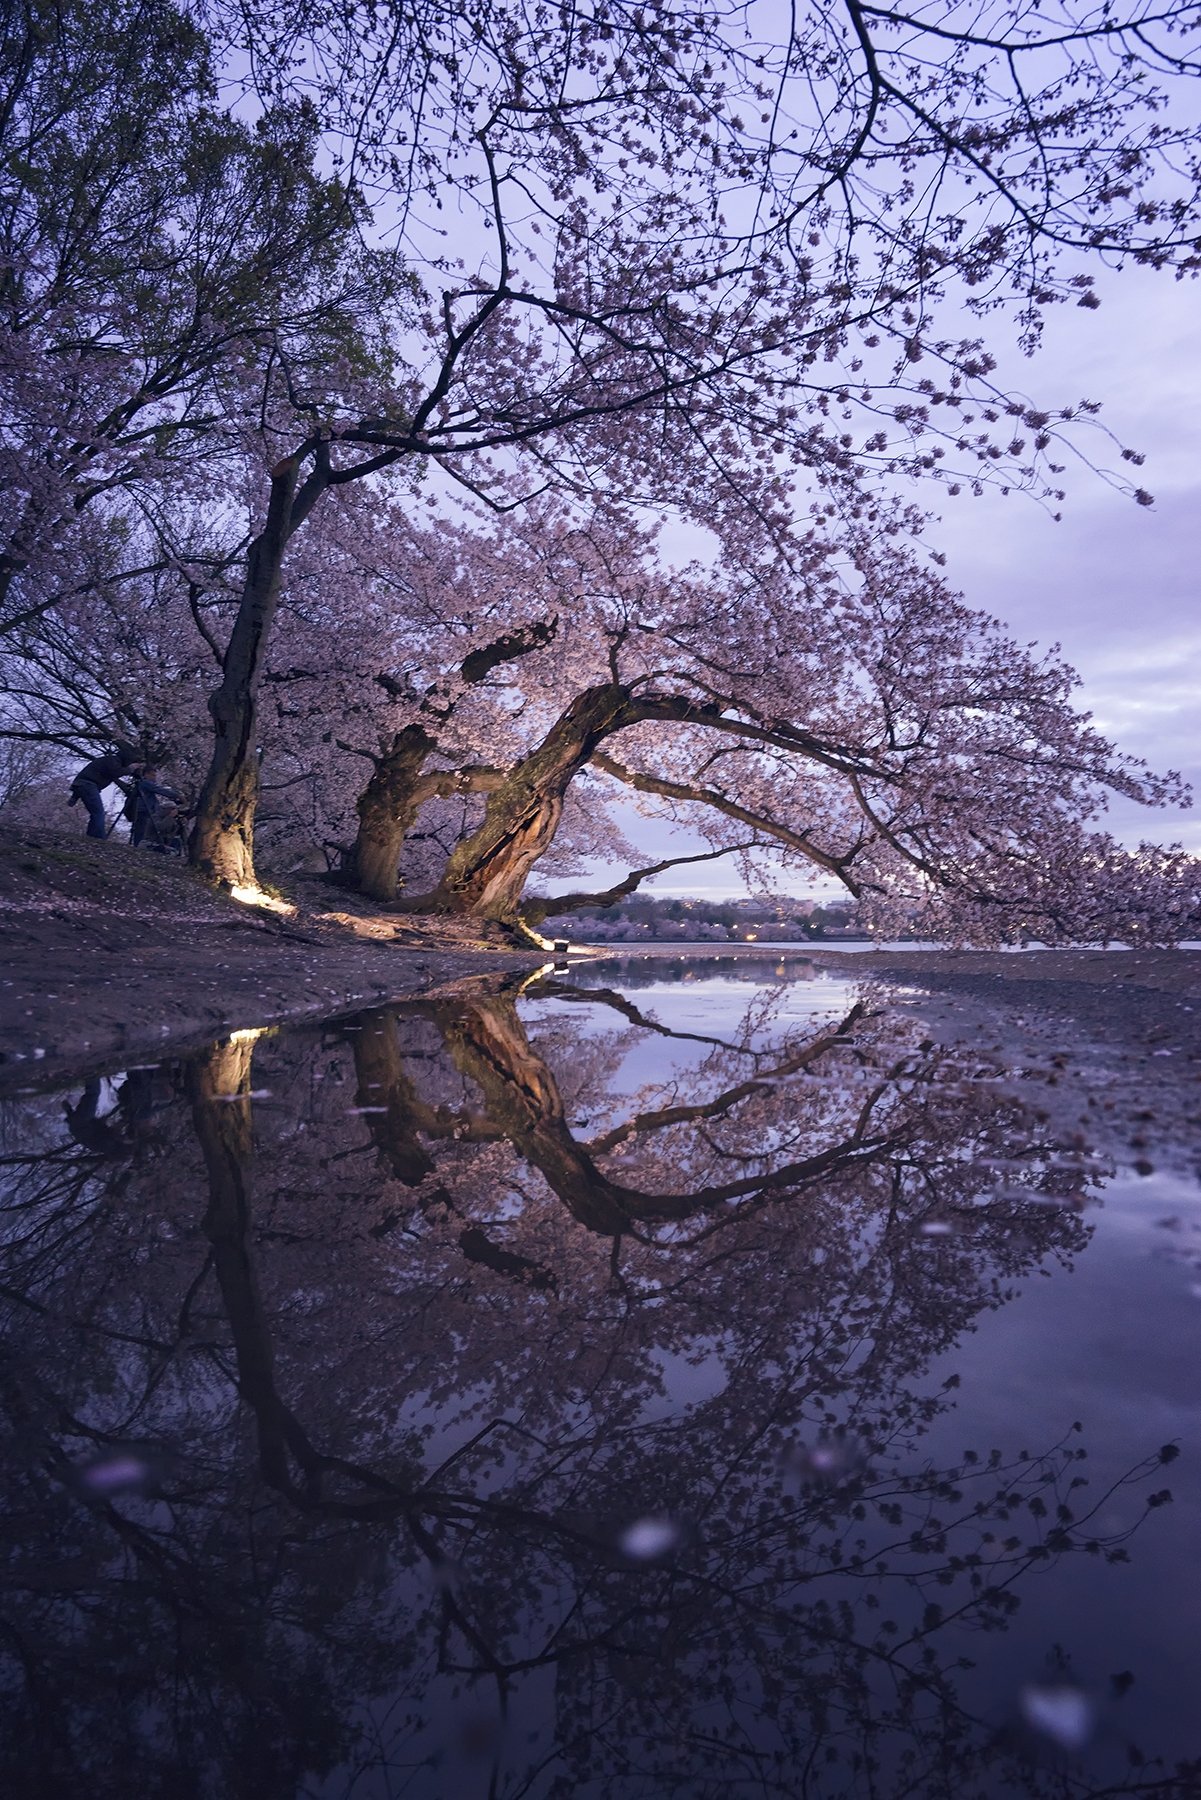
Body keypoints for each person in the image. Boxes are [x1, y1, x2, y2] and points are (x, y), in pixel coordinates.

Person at [68, 744, 144, 839]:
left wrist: (75, 796)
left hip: (84, 785)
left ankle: (93, 837)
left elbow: (86, 776)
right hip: (88, 785)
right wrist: (131, 768)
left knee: (96, 812)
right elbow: (116, 772)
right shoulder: (112, 761)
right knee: (98, 813)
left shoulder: (110, 760)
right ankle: (98, 837)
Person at [127, 765, 182, 850]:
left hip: (145, 810)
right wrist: (177, 795)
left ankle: (139, 847)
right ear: (146, 774)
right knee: (141, 831)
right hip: (143, 810)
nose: (154, 778)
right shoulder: (145, 783)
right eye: (153, 775)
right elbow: (159, 789)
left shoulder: (144, 786)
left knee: (142, 831)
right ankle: (138, 848)